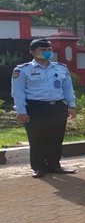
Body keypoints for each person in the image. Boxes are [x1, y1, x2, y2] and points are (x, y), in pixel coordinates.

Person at [11, 38, 78, 178]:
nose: (47, 52)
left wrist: (71, 105)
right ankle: (38, 167)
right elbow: (18, 92)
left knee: (56, 138)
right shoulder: (23, 70)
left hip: (57, 106)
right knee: (37, 138)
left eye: (49, 50)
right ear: (33, 52)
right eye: (43, 50)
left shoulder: (61, 68)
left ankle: (54, 164)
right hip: (36, 107)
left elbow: (68, 89)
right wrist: (21, 111)